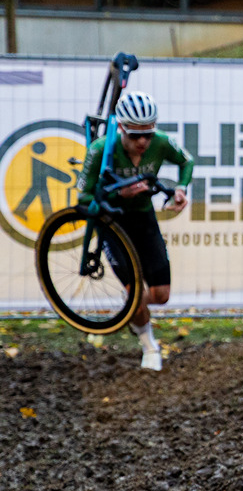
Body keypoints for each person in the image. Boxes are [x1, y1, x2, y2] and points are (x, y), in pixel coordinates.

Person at [77, 92, 193, 371]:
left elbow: (186, 161)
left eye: (148, 135)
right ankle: (149, 346)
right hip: (112, 224)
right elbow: (82, 200)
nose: (143, 142)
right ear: (121, 129)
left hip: (144, 218)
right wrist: (121, 194)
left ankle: (132, 310)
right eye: (135, 135)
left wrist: (180, 188)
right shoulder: (101, 150)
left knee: (161, 295)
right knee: (136, 294)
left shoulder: (162, 143)